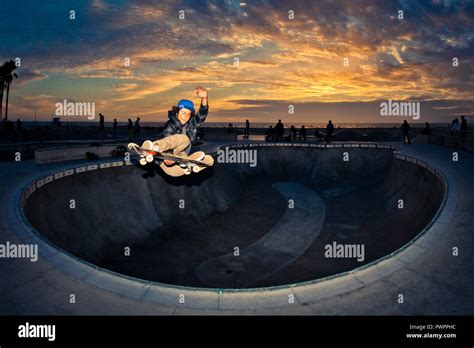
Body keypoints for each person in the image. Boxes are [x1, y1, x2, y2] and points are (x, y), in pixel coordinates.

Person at [140, 86, 209, 165]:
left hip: (181, 154)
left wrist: (204, 98)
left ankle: (185, 162)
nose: (185, 116)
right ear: (177, 112)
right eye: (183, 112)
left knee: (209, 160)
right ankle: (156, 147)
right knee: (184, 139)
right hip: (168, 154)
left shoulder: (192, 122)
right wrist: (168, 155)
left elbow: (202, 113)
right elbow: (168, 137)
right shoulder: (171, 124)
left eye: (188, 114)